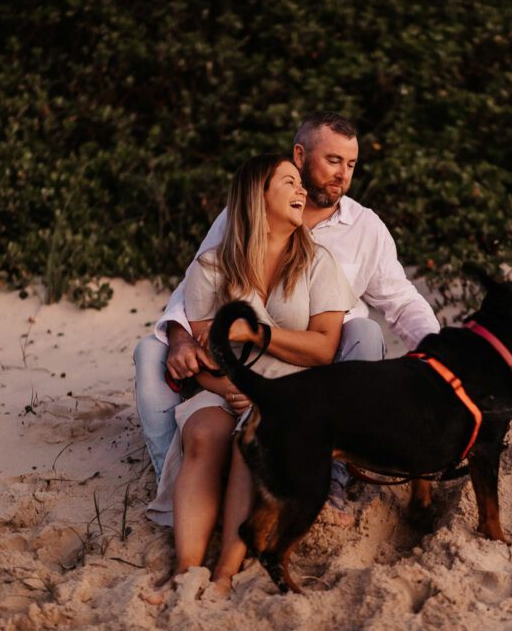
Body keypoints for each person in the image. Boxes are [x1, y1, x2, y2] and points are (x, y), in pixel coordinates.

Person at [134, 111, 440, 513]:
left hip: (317, 367)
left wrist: (442, 353)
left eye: (350, 165)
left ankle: (332, 479)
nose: (342, 176)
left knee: (364, 331)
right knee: (149, 351)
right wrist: (179, 336)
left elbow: (400, 300)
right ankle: (170, 484)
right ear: (299, 154)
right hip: (240, 363)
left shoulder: (365, 228)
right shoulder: (244, 211)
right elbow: (199, 275)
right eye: (333, 161)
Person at [146, 154, 357, 595]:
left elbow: (323, 348)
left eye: (300, 183)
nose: (302, 191)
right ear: (256, 196)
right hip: (228, 387)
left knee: (250, 440)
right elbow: (205, 353)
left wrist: (256, 335)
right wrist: (231, 387)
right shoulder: (212, 268)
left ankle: (225, 571)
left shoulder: (319, 263)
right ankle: (186, 569)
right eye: (289, 183)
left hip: (293, 390)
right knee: (202, 433)